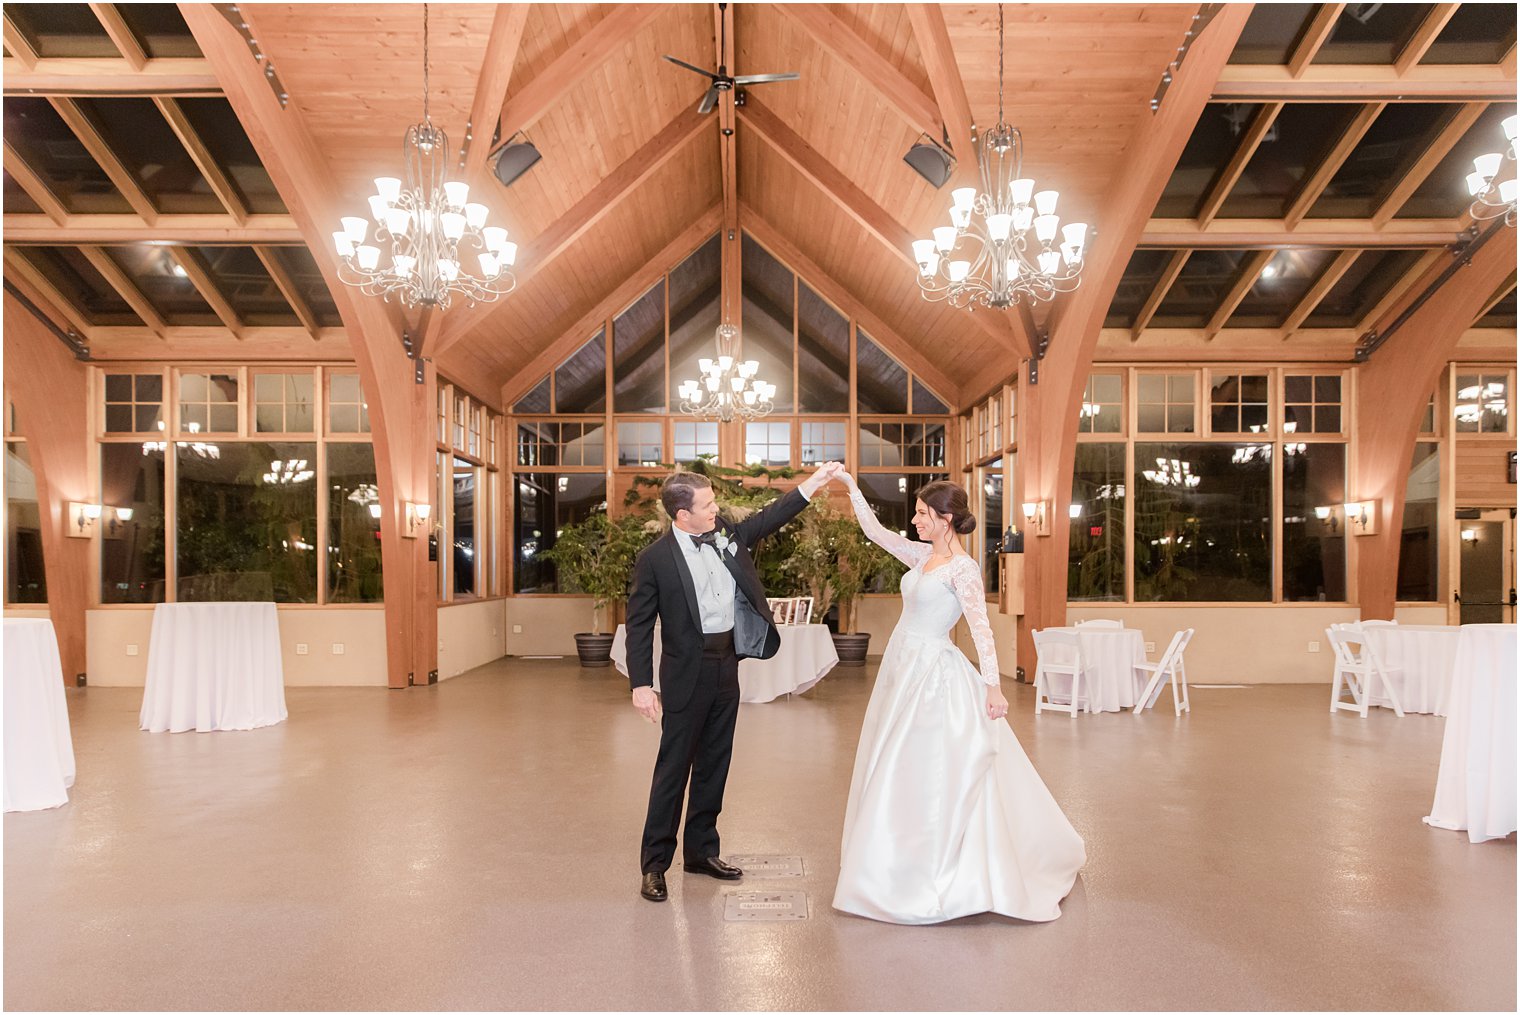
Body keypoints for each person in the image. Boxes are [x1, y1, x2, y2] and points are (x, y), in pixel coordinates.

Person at [831, 472, 1085, 924]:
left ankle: (932, 864)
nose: (915, 520)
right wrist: (850, 485)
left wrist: (992, 686)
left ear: (946, 519)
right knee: (892, 759)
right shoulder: (921, 555)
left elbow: (980, 629)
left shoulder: (962, 570)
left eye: (923, 514)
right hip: (901, 667)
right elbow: (874, 531)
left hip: (933, 673)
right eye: (916, 513)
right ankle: (893, 854)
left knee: (923, 763)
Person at [625, 462, 843, 903]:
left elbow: (767, 518)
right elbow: (639, 625)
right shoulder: (655, 560)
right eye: (707, 505)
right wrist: (641, 684)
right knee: (673, 770)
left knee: (715, 764)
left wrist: (814, 485)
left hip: (728, 664)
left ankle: (702, 852)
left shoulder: (724, 533)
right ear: (681, 515)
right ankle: (654, 865)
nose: (716, 509)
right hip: (686, 674)